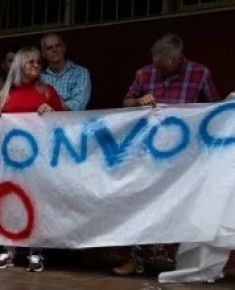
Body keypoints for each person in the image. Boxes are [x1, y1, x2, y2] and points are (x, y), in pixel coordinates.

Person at [114, 33, 220, 276]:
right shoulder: (144, 74)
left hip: (185, 158)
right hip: (148, 154)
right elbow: (125, 101)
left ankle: (183, 262)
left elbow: (213, 109)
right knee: (140, 202)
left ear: (178, 58)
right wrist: (139, 101)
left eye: (164, 66)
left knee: (184, 205)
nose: (158, 70)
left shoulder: (200, 73)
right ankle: (135, 259)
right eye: (156, 65)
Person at [0, 46, 64, 272]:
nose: (36, 66)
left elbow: (65, 124)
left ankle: (35, 251)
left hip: (38, 159)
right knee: (9, 202)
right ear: (19, 64)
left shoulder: (47, 91)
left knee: (36, 202)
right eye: (30, 62)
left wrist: (51, 111)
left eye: (38, 63)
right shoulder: (5, 93)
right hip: (9, 160)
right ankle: (8, 249)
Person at [39, 33, 91, 111]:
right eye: (49, 48)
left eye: (58, 46)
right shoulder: (40, 77)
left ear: (64, 48)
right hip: (47, 122)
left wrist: (54, 107)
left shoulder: (81, 73)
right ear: (43, 54)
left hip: (74, 122)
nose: (54, 50)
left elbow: (79, 104)